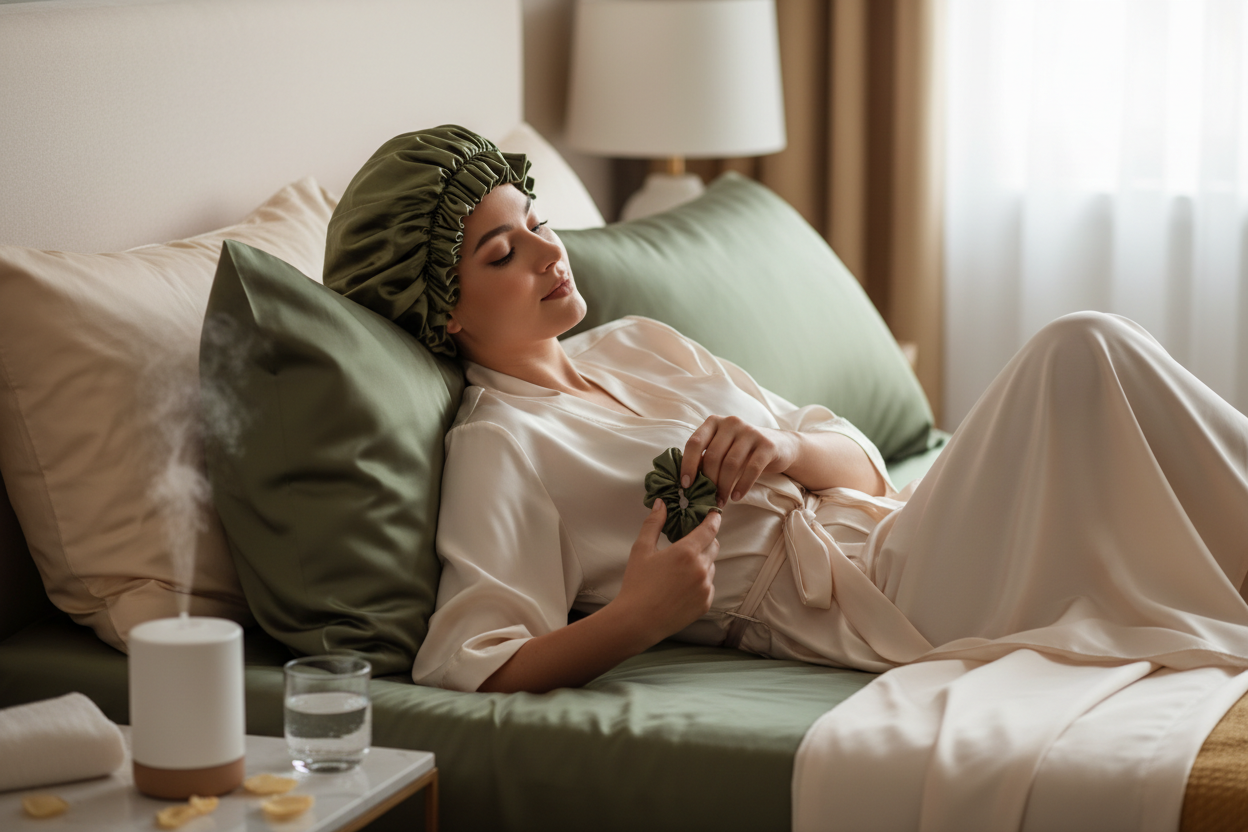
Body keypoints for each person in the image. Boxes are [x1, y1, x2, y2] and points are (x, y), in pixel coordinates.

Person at [324, 125, 1248, 695]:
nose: (545, 253)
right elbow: (471, 659)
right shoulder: (502, 446)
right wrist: (635, 620)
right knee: (1077, 352)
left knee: (1101, 371)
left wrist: (784, 444)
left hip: (898, 529)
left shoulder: (638, 342)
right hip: (876, 601)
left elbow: (867, 466)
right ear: (441, 305)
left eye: (536, 222)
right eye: (500, 253)